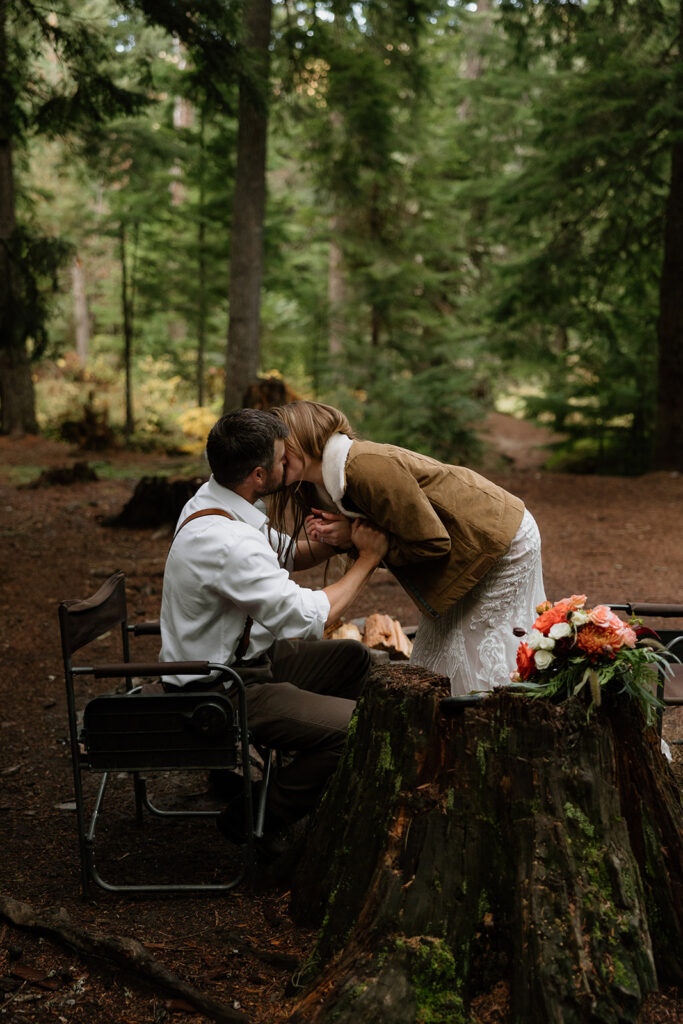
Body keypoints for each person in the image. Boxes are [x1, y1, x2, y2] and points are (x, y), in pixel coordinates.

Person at [159, 408, 387, 845]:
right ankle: (253, 817)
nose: (293, 466)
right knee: (359, 729)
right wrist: (367, 560)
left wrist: (333, 540)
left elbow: (282, 554)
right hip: (220, 689)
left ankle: (316, 763)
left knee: (351, 657)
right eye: (285, 460)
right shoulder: (226, 541)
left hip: (243, 663)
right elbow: (305, 618)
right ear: (260, 475)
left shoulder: (214, 503)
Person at [269, 401, 546, 697]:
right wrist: (350, 538)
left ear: (302, 438)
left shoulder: (365, 466)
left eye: (280, 446)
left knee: (477, 650)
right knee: (435, 658)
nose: (274, 457)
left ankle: (494, 727)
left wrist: (354, 539)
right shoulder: (319, 483)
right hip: (466, 548)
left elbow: (432, 542)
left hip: (497, 542)